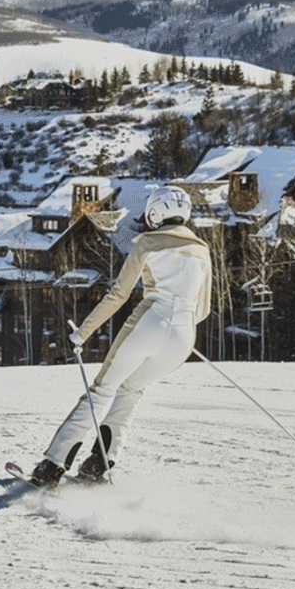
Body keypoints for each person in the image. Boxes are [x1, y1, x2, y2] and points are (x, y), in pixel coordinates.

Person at [31, 186, 212, 487]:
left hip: (150, 323)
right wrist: (179, 329)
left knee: (102, 391)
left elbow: (119, 295)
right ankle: (99, 466)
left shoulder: (147, 242)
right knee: (130, 390)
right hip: (184, 336)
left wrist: (82, 333)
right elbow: (202, 309)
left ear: (156, 213)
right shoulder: (203, 250)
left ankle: (51, 467)